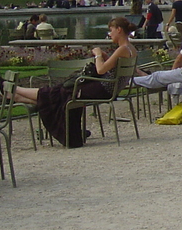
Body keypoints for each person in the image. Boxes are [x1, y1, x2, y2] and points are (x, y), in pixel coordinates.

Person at [12, 17, 136, 148]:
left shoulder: (122, 49)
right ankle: (18, 95)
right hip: (110, 88)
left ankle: (16, 91)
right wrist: (106, 57)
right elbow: (112, 67)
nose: (110, 34)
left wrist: (98, 55)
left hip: (104, 88)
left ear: (119, 30)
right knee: (62, 91)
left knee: (63, 91)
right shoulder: (130, 49)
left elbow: (100, 70)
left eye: (111, 30)